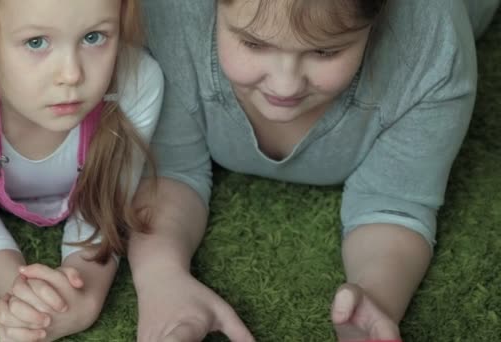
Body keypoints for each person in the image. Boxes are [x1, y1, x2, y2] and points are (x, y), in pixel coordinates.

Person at [126, 0, 500, 341]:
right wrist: (161, 275)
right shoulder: (163, 17)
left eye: (325, 50)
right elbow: (171, 170)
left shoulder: (432, 51)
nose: (285, 84)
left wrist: (376, 295)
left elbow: (394, 204)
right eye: (254, 44)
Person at [0, 0, 163, 340]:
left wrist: (84, 295)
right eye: (36, 42)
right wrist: (24, 294)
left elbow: (101, 210)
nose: (71, 75)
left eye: (94, 37)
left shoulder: (139, 82)